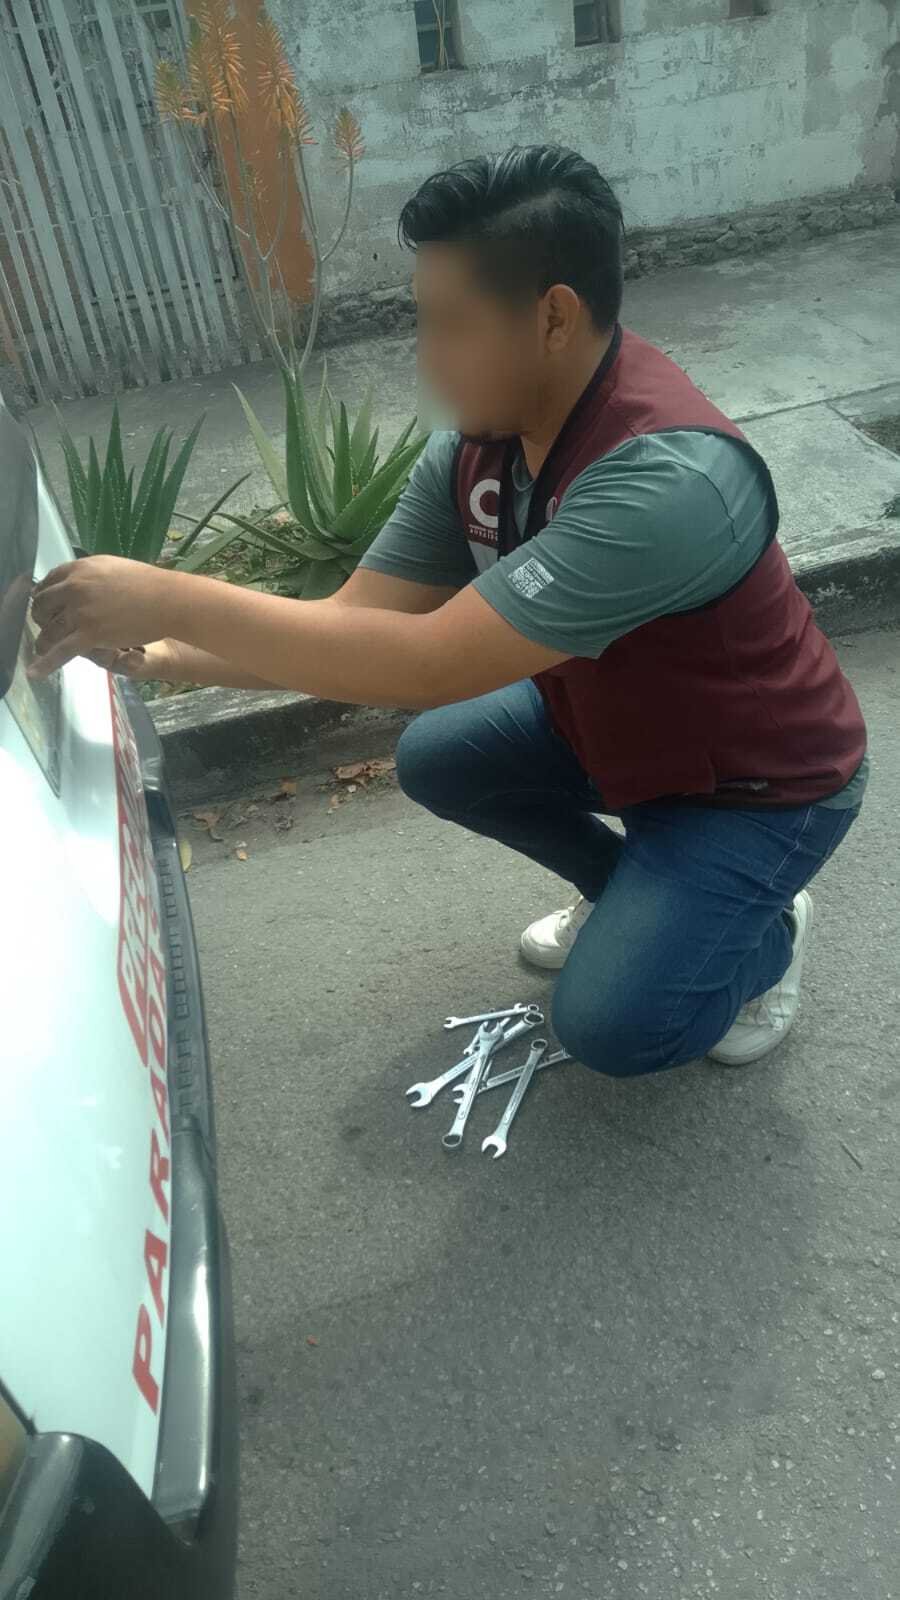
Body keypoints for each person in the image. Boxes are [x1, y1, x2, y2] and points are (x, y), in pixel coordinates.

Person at [30, 145, 868, 1076]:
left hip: (753, 787)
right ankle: (641, 893)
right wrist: (166, 653)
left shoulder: (665, 480)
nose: (424, 360)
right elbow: (355, 628)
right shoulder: (482, 448)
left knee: (612, 1029)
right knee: (440, 755)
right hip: (618, 730)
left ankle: (764, 940)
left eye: (448, 324)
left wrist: (163, 589)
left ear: (553, 316)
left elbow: (426, 664)